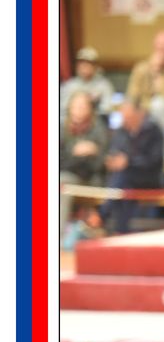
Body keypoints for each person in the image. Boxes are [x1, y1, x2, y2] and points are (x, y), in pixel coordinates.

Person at [102, 101, 164, 235]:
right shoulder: (121, 131)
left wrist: (129, 162)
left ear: (138, 114)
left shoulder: (153, 131)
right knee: (122, 182)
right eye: (123, 115)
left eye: (127, 115)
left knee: (122, 179)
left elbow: (154, 160)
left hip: (148, 178)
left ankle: (103, 215)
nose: (124, 118)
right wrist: (112, 160)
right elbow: (114, 151)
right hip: (124, 179)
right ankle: (120, 230)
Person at [60, 91, 109, 240]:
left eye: (83, 106)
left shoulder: (98, 129)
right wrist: (77, 154)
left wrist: (93, 153)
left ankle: (59, 237)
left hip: (92, 180)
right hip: (68, 177)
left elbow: (101, 164)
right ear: (69, 108)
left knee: (63, 183)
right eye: (76, 106)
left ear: (90, 109)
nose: (79, 109)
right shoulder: (61, 130)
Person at [60, 46, 114, 122]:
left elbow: (106, 110)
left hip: (97, 124)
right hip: (72, 124)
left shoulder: (104, 85)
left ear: (95, 66)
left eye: (88, 63)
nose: (84, 66)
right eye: (81, 63)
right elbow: (62, 111)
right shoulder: (69, 86)